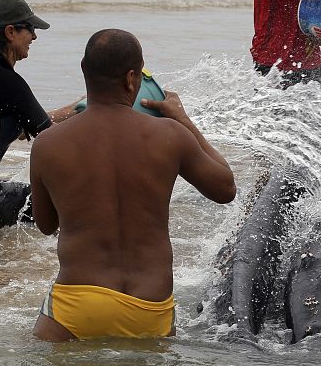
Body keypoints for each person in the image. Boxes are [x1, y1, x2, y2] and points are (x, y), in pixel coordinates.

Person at [30, 29, 236, 341]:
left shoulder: (47, 144)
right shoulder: (170, 135)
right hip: (150, 305)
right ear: (131, 78)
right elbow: (225, 189)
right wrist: (184, 121)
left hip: (79, 304)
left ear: (84, 69)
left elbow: (46, 225)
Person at [0, 0, 79, 240]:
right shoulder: (7, 81)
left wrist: (79, 108)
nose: (35, 37)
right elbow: (52, 140)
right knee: (73, 202)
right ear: (10, 32)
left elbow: (17, 125)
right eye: (30, 29)